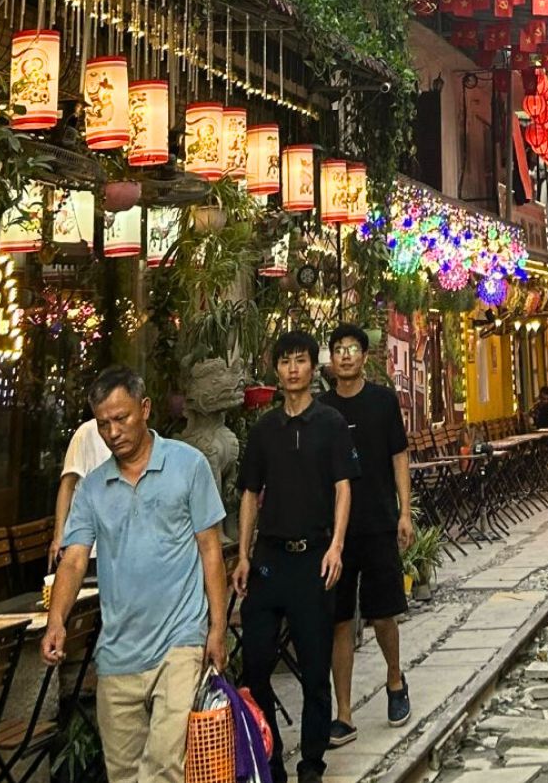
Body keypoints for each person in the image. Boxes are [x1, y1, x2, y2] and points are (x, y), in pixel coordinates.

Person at [43, 367, 228, 783]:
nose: (113, 431)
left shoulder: (188, 465)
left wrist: (216, 629)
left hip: (180, 642)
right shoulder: (92, 487)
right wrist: (56, 620)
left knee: (165, 766)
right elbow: (74, 561)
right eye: (103, 423)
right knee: (124, 772)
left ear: (144, 409)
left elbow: (210, 551)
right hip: (118, 651)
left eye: (121, 418)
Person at [234, 331, 357, 783]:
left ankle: (311, 763)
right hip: (269, 559)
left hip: (314, 559)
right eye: (284, 361)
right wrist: (244, 555)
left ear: (311, 367)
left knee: (313, 665)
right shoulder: (264, 430)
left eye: (300, 361)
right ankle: (270, 758)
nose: (292, 369)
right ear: (276, 369)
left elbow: (344, 487)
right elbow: (250, 493)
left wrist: (337, 546)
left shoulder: (330, 423)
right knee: (256, 665)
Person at [322, 324, 414, 749]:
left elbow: (399, 455)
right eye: (338, 350)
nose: (344, 356)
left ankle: (395, 681)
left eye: (351, 349)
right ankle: (343, 713)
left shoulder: (381, 402)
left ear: (363, 356)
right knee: (339, 621)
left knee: (383, 614)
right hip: (335, 534)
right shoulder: (321, 409)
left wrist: (404, 512)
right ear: (331, 358)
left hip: (378, 520)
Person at [51, 411, 111, 569]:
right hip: (86, 545)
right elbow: (67, 485)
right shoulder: (86, 433)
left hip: (118, 547)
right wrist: (59, 537)